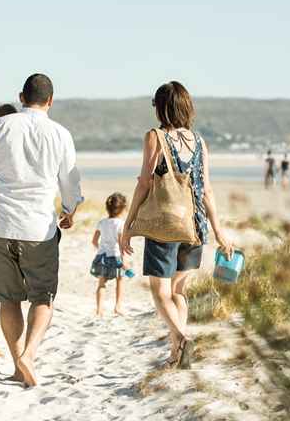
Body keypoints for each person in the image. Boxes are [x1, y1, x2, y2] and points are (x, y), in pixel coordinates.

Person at [0, 73, 83, 387]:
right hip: (39, 228)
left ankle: (18, 366)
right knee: (43, 298)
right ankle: (29, 355)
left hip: (0, 225)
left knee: (9, 300)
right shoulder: (60, 134)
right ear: (51, 101)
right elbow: (70, 181)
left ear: (21, 97)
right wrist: (70, 209)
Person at [120, 81, 233, 369]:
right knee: (179, 291)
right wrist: (218, 231)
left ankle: (181, 337)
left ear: (160, 107)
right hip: (196, 226)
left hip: (165, 226)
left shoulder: (155, 137)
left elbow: (145, 183)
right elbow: (207, 188)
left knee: (160, 293)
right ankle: (175, 352)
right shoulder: (199, 141)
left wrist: (129, 224)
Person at [91, 192, 129, 317]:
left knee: (101, 283)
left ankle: (99, 310)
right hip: (116, 256)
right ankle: (118, 306)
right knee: (120, 281)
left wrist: (101, 249)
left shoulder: (102, 223)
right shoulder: (120, 224)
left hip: (102, 256)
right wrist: (125, 261)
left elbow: (94, 241)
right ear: (123, 208)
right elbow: (121, 243)